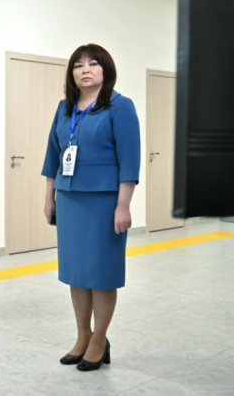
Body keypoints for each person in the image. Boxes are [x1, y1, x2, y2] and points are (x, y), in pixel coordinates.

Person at [41, 43, 140, 372]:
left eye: (93, 64)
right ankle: (83, 335)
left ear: (105, 70)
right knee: (77, 272)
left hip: (104, 202)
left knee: (101, 273)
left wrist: (123, 205)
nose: (85, 70)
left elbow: (129, 161)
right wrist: (49, 197)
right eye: (78, 65)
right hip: (70, 199)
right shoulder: (64, 108)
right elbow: (53, 156)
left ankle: (99, 339)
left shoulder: (120, 107)